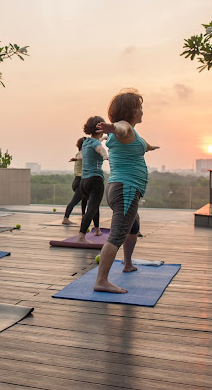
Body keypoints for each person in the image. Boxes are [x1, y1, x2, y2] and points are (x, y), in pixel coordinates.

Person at [93, 89, 159, 293]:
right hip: (126, 189)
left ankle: (127, 263)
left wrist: (150, 147)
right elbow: (120, 129)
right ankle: (101, 280)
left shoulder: (133, 133)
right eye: (139, 107)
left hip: (123, 189)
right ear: (130, 111)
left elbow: (141, 143)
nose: (141, 111)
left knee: (133, 227)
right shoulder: (124, 127)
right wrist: (111, 127)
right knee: (117, 234)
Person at [76, 117, 109, 243]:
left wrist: (103, 138)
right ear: (100, 128)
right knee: (92, 208)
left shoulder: (86, 142)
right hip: (95, 180)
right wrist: (105, 155)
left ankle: (97, 229)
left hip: (84, 182)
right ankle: (81, 236)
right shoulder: (97, 145)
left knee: (94, 206)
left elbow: (97, 142)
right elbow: (100, 148)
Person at [62, 137, 88, 225]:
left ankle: (83, 215)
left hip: (77, 180)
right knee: (74, 201)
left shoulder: (78, 153)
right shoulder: (82, 153)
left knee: (84, 198)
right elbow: (81, 157)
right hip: (80, 181)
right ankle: (66, 218)